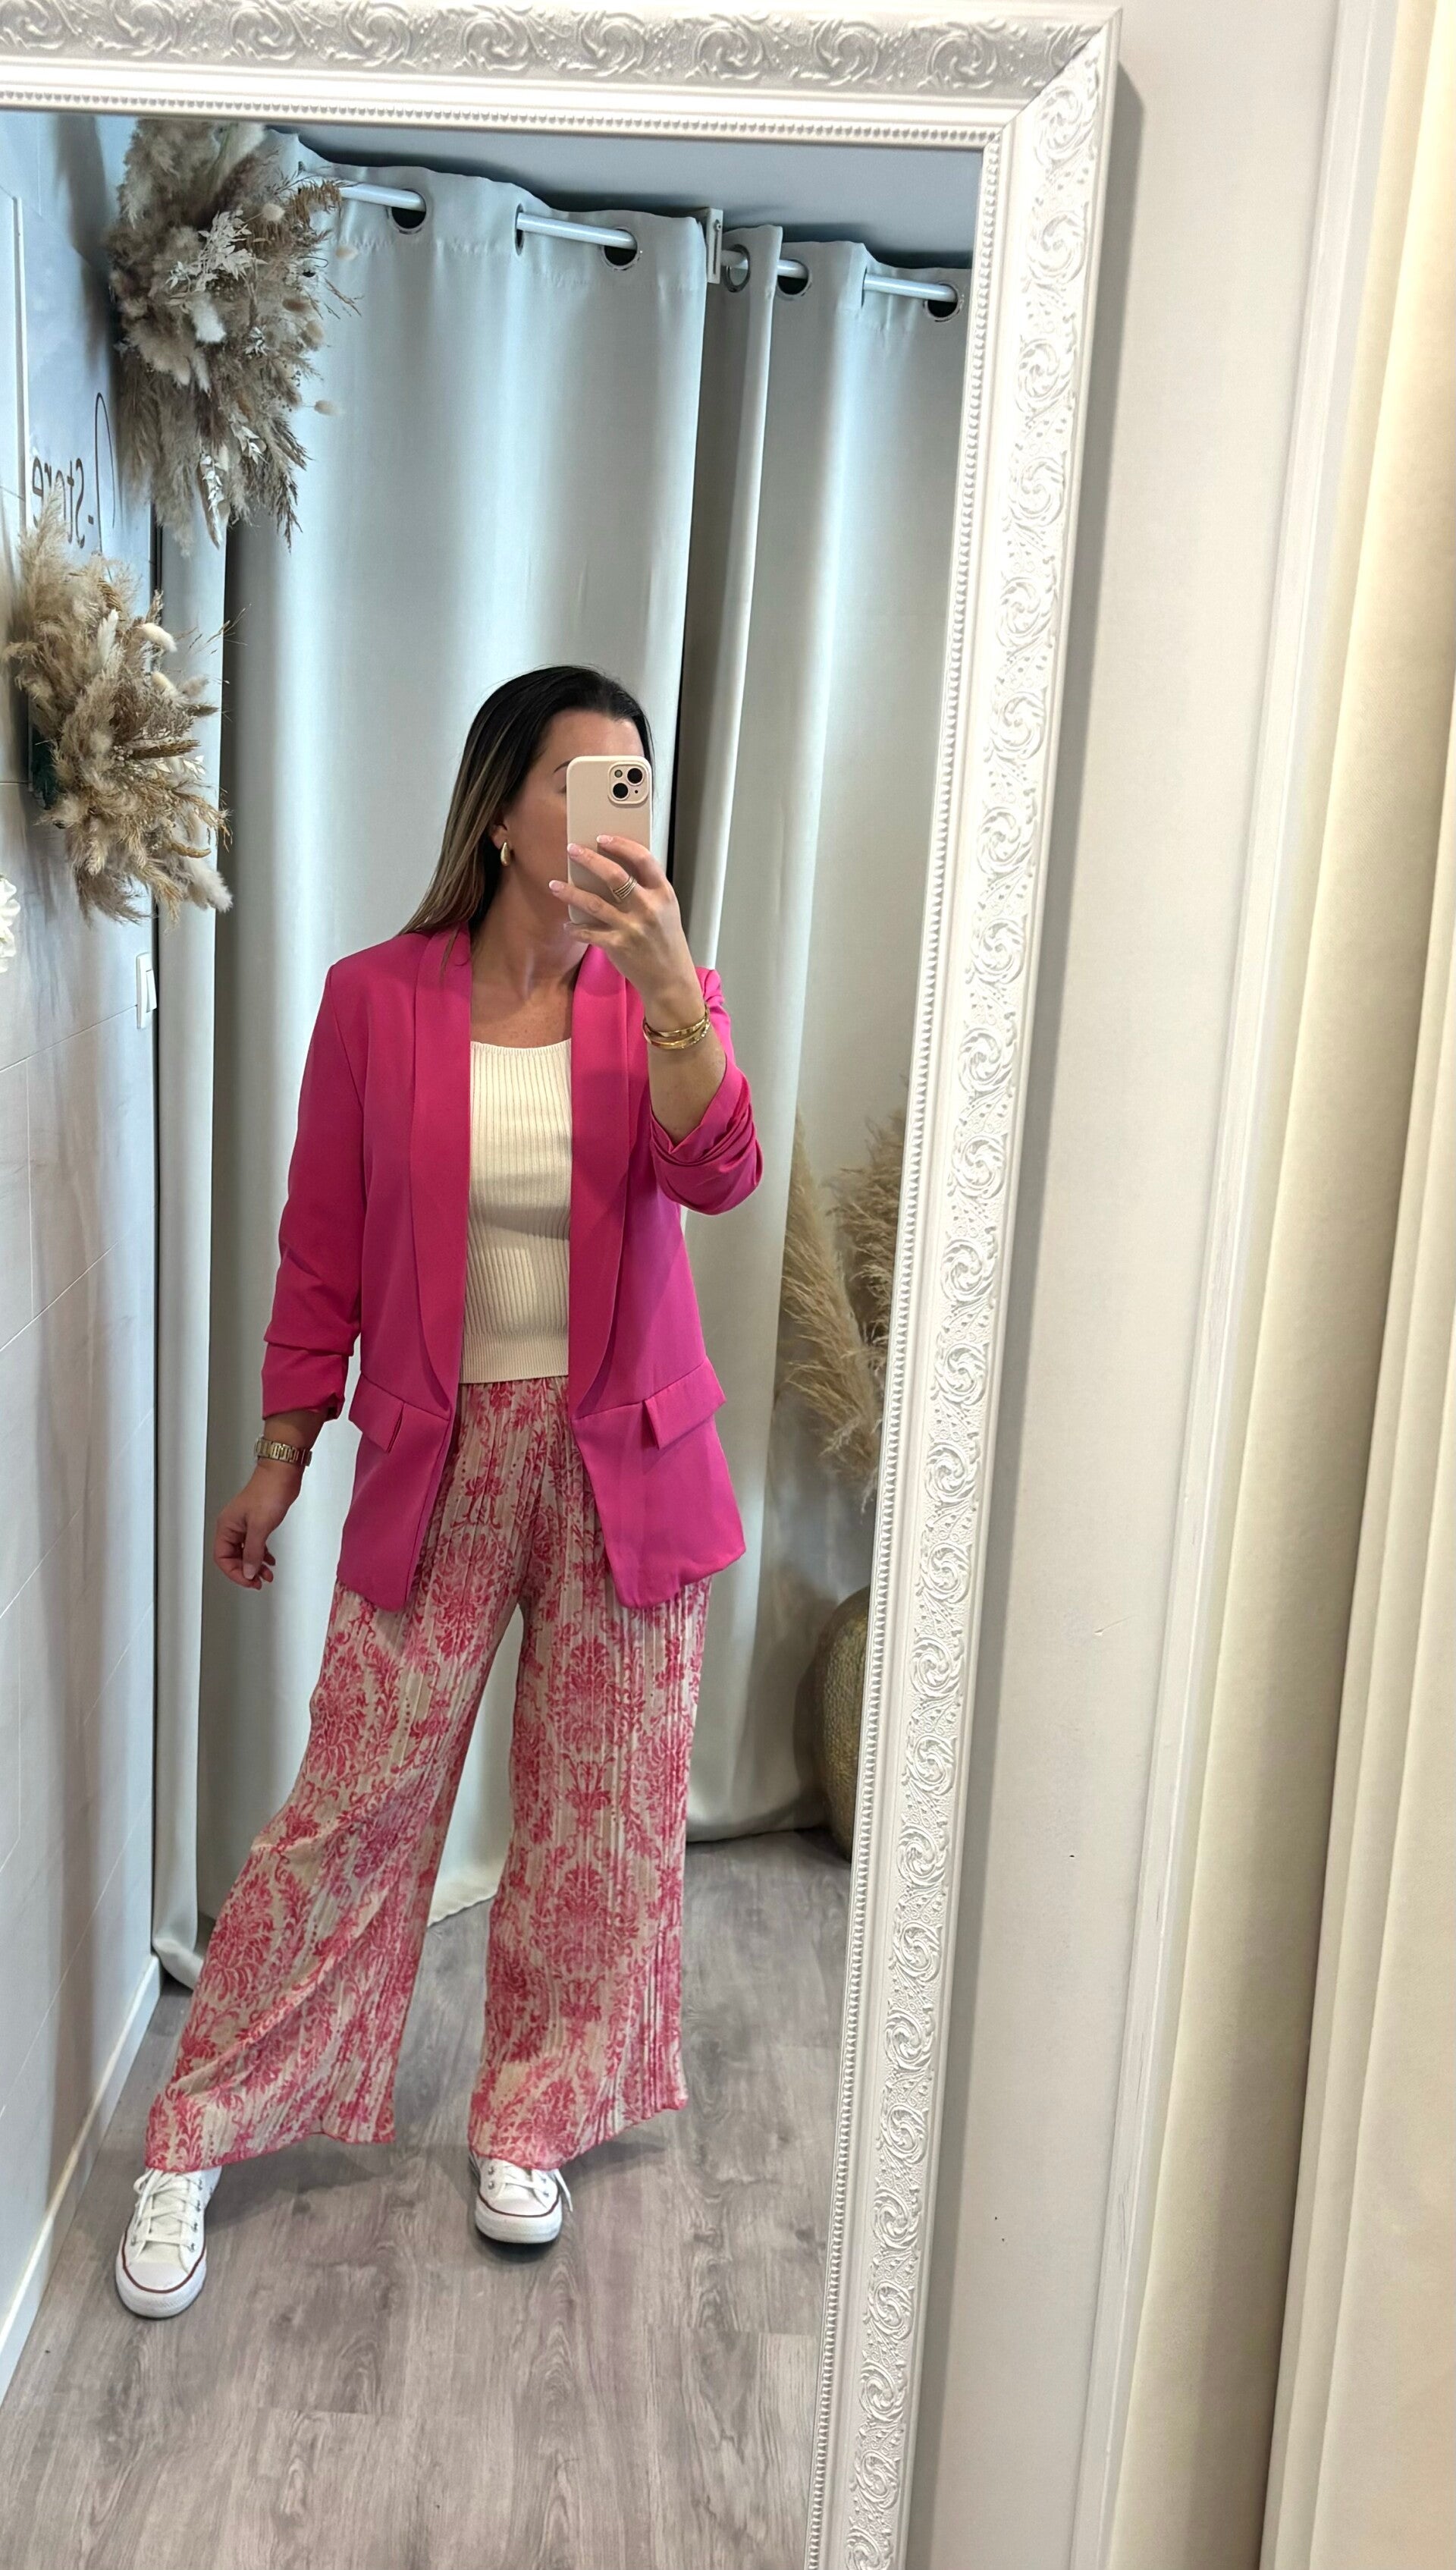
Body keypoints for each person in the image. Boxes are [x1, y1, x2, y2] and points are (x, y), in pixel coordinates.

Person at [115, 664, 761, 2317]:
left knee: (605, 1817)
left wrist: (673, 991)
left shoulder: (660, 995)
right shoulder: (374, 1000)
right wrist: (280, 1453)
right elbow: (320, 1251)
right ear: (500, 810)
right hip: (443, 1450)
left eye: (635, 786)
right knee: (353, 1803)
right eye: (583, 783)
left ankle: (532, 2116)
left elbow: (719, 1170)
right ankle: (199, 2128)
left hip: (626, 1458)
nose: (614, 816)